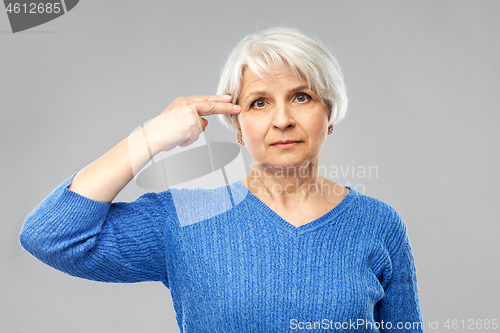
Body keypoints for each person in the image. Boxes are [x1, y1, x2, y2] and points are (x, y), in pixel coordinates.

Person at [19, 26, 424, 332]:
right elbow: (50, 235)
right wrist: (149, 138)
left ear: (329, 115)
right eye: (259, 102)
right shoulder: (186, 217)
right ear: (236, 126)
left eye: (301, 97)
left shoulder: (379, 224)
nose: (282, 119)